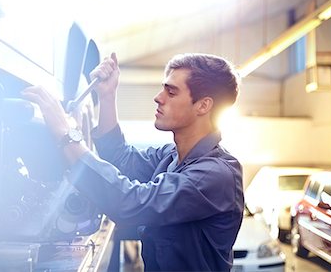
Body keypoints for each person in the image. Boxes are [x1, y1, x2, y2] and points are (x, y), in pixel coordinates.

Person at [22, 52, 244, 271]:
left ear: (203, 106)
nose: (158, 97)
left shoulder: (216, 174)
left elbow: (131, 203)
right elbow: (121, 159)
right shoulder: (171, 157)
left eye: (171, 92)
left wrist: (65, 133)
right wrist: (107, 96)